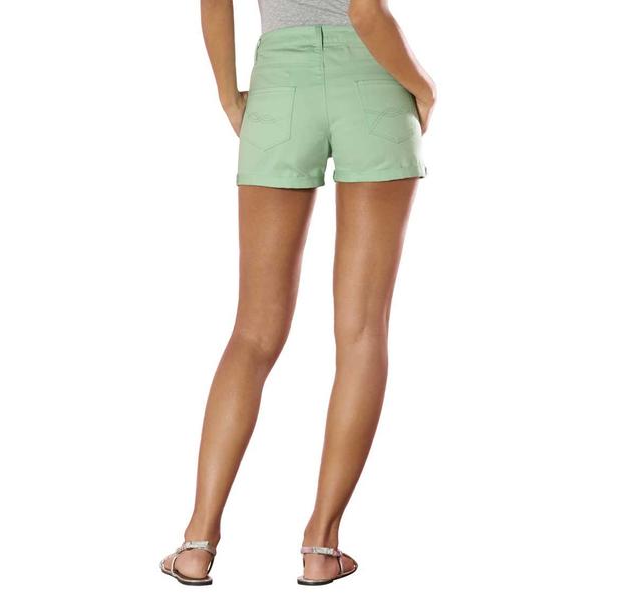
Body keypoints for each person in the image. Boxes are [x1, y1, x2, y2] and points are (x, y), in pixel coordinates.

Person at [160, 0, 436, 586]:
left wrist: (229, 96)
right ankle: (320, 546)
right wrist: (424, 87)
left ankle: (197, 542)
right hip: (373, 80)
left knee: (253, 332)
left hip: (280, 83)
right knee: (361, 332)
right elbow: (366, 13)